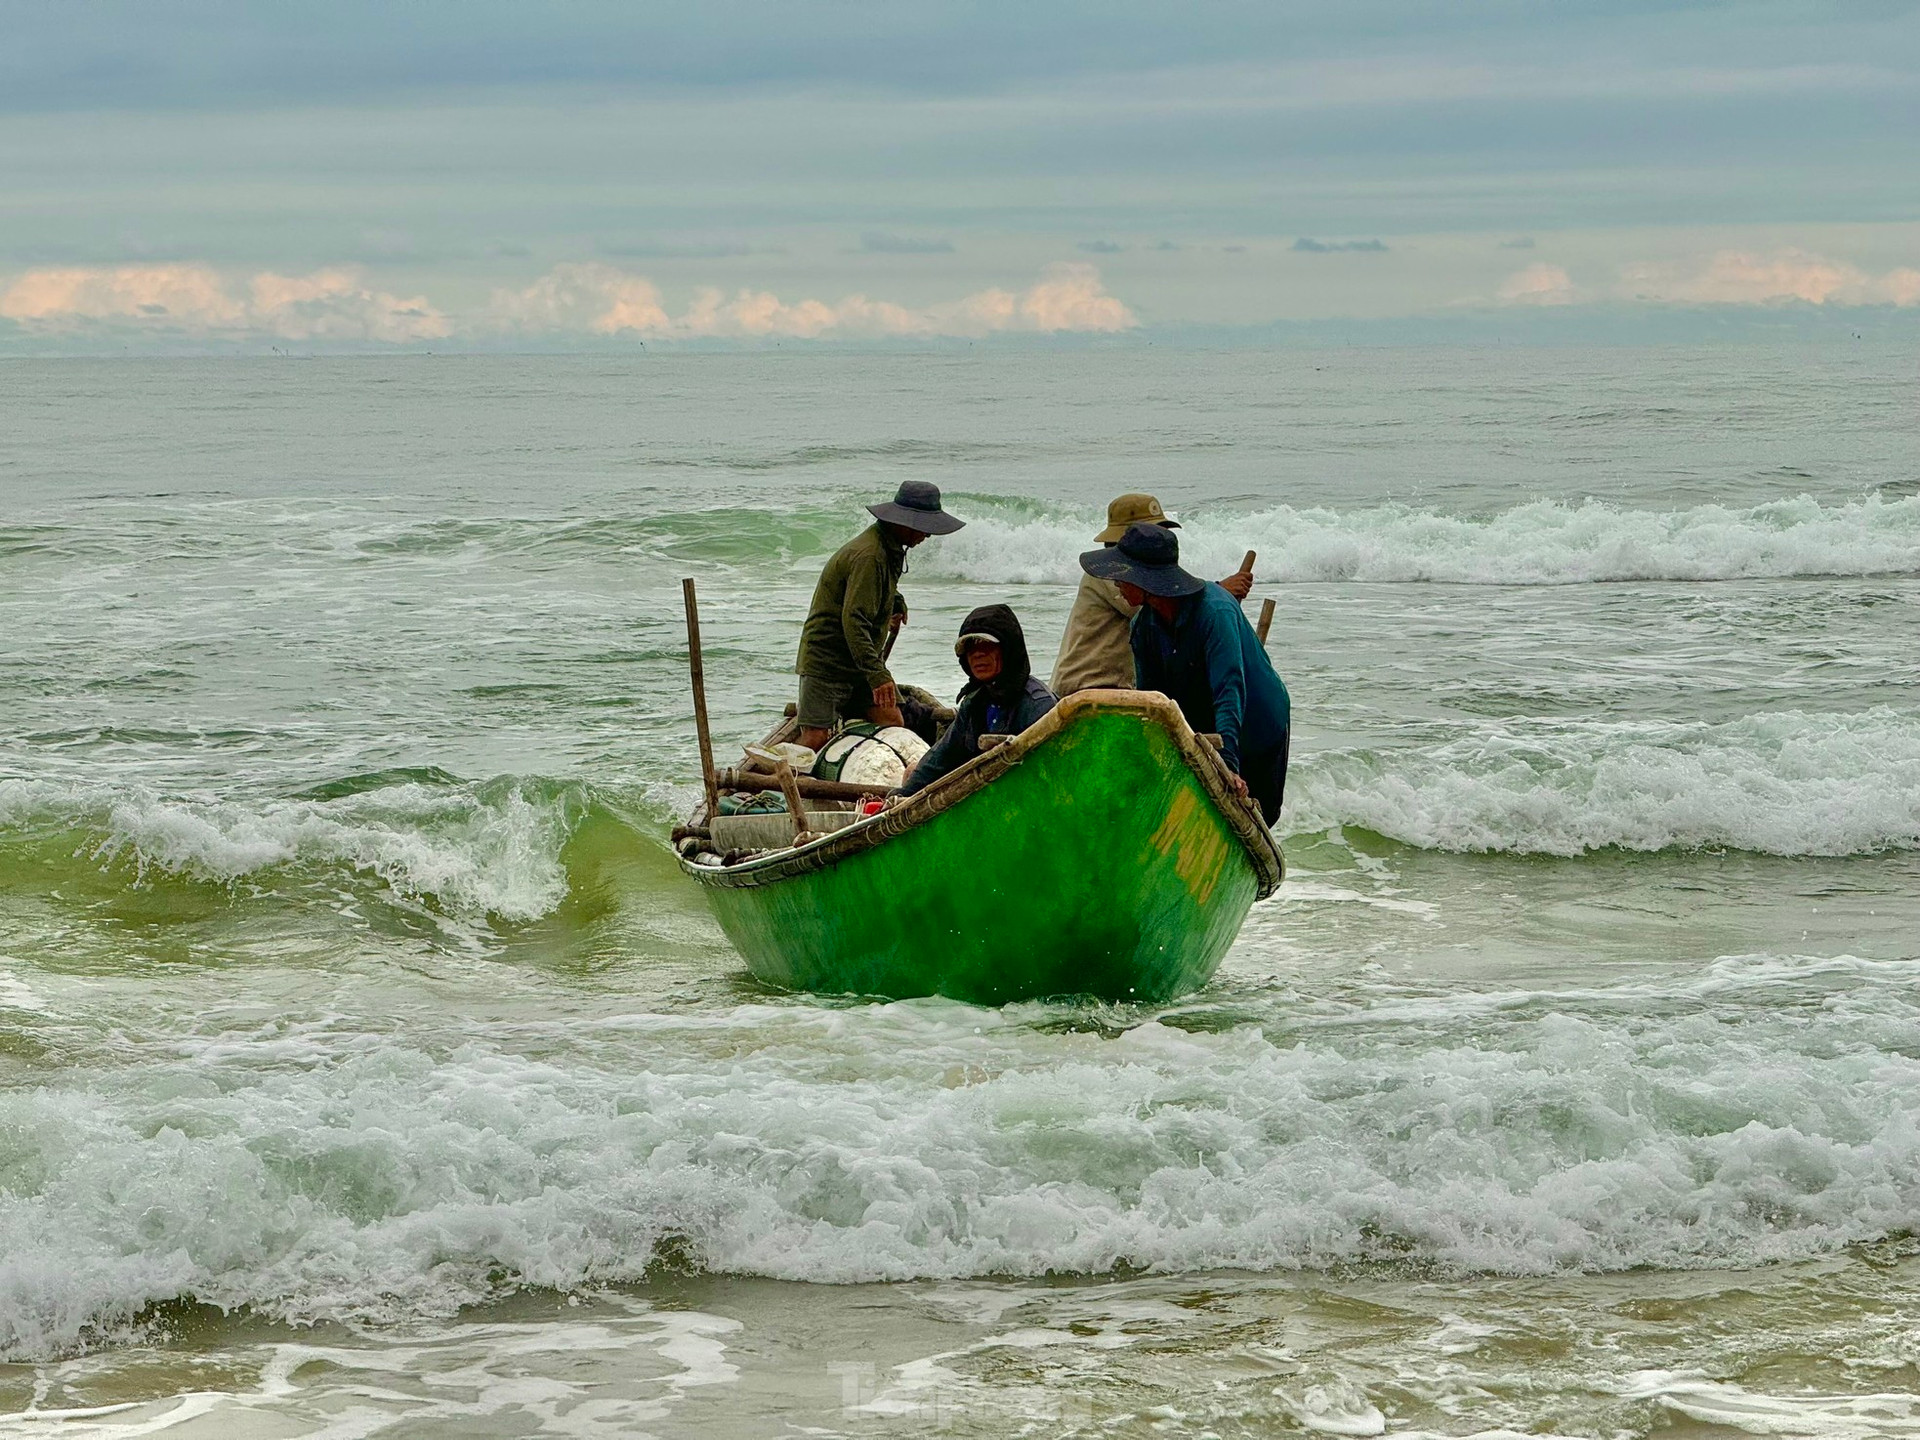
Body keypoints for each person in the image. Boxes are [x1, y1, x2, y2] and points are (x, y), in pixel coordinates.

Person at [1080, 523, 1291, 824]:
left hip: (1258, 724)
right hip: (1204, 717)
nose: (1115, 583)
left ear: (1145, 579)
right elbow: (1154, 706)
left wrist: (1228, 765)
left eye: (1122, 575)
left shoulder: (1215, 612)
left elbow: (1229, 691)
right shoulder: (1142, 626)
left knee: (1258, 819)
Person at [795, 481, 964, 751]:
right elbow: (854, 621)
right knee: (815, 740)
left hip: (860, 661)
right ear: (905, 523)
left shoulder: (890, 548)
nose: (927, 536)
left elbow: (878, 588)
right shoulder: (870, 556)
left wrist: (896, 600)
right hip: (828, 661)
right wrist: (878, 675)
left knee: (893, 721)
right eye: (924, 528)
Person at [1051, 492, 1253, 695]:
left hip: (1113, 688)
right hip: (1086, 688)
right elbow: (1164, 603)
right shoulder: (1110, 572)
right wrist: (1219, 590)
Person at [898, 605, 1056, 797]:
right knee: (912, 772)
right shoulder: (975, 702)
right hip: (983, 795)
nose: (977, 654)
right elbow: (941, 757)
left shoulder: (1038, 706)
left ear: (1007, 649)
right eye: (970, 648)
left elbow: (1048, 777)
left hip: (1020, 799)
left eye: (986, 645)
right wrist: (899, 799)